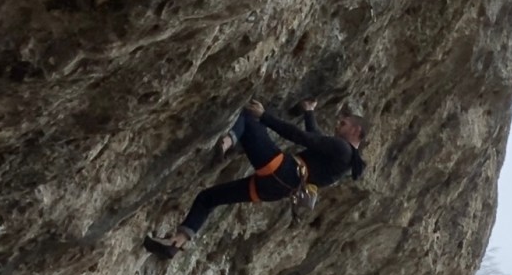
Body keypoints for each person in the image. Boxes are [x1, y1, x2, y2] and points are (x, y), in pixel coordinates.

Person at [144, 98, 366, 259]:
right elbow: (316, 138)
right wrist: (308, 111)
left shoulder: (342, 148)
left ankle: (227, 142)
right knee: (208, 198)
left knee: (248, 117)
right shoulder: (347, 160)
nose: (339, 124)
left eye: (344, 123)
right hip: (276, 190)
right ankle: (176, 242)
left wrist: (264, 116)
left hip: (283, 170)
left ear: (356, 130)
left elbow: (301, 137)